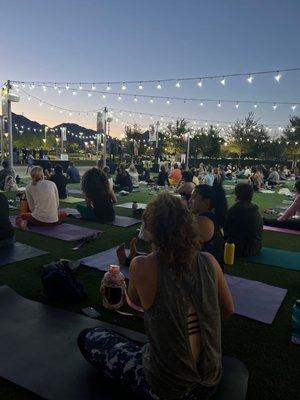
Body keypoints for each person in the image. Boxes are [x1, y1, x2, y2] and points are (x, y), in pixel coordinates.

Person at [78, 193, 234, 400]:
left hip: (169, 390)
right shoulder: (209, 261)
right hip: (210, 380)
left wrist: (113, 288)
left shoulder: (142, 265)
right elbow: (227, 309)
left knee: (89, 337)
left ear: (152, 229)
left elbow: (131, 304)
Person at [16, 166, 67, 230]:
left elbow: (32, 208)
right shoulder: (52, 184)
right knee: (63, 214)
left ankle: (23, 222)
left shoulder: (28, 187)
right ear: (42, 174)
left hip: (38, 220)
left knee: (20, 216)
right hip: (54, 221)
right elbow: (57, 204)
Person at [191, 184, 227, 270]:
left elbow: (185, 246)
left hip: (206, 274)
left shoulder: (203, 220)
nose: (190, 200)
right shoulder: (212, 217)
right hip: (211, 270)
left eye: (194, 197)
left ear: (206, 201)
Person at [225, 183, 263, 257]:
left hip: (241, 249)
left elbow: (225, 228)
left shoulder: (236, 210)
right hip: (256, 247)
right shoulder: (254, 209)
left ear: (237, 194)